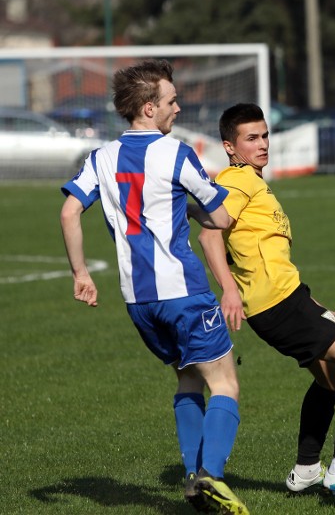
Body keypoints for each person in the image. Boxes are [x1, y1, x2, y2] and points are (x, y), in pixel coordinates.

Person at [59, 60, 249, 514]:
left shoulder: (100, 158)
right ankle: (213, 478)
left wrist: (81, 273)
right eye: (170, 101)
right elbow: (219, 217)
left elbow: (69, 212)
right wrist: (212, 212)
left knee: (187, 377)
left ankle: (191, 477)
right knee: (224, 383)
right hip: (183, 291)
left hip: (138, 301)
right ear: (149, 108)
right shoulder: (175, 153)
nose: (178, 108)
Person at [197, 103, 335, 498]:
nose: (263, 144)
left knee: (333, 377)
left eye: (265, 135)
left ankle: (305, 469)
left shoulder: (253, 183)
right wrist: (228, 289)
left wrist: (319, 307)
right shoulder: (238, 181)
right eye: (252, 138)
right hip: (276, 306)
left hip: (289, 301)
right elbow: (209, 233)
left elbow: (273, 261)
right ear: (230, 147)